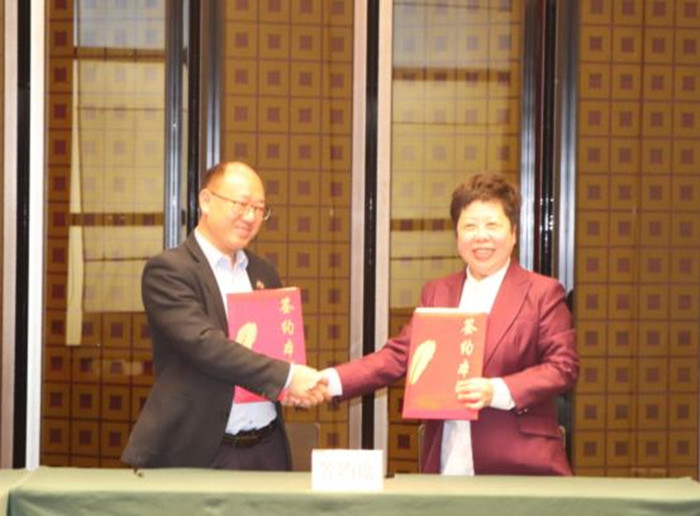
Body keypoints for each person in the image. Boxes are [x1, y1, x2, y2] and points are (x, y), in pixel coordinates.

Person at [324, 172, 578, 475]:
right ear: (457, 236)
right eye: (470, 226)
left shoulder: (542, 293)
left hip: (521, 465)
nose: (481, 236)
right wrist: (328, 381)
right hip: (449, 458)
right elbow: (399, 356)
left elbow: (563, 367)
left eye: (492, 225)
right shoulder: (437, 293)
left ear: (512, 233)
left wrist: (495, 390)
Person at [122, 161, 327, 471]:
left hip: (267, 447)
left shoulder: (264, 273)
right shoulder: (169, 271)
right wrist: (287, 377)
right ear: (206, 201)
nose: (250, 217)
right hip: (201, 450)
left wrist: (291, 389)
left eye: (259, 209)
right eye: (241, 205)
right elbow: (206, 345)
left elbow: (274, 352)